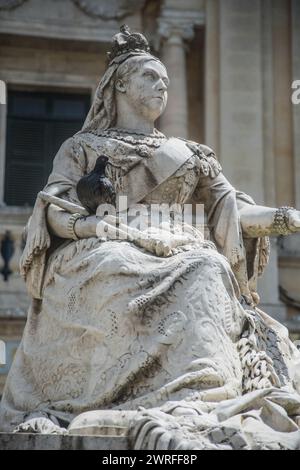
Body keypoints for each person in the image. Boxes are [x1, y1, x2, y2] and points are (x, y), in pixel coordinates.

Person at [1, 25, 300, 450]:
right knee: (115, 263)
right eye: (151, 77)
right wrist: (90, 223)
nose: (162, 85)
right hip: (98, 247)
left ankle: (195, 399)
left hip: (181, 249)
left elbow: (230, 211)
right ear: (120, 83)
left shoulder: (194, 156)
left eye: (165, 79)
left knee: (207, 265)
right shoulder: (81, 145)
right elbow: (53, 209)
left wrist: (288, 218)